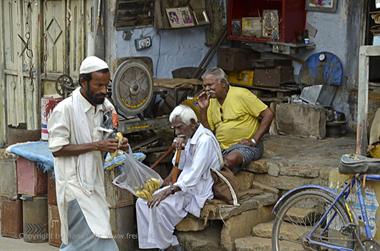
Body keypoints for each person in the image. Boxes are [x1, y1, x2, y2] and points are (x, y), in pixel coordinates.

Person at [48, 56, 129, 251]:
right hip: (74, 187)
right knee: (99, 243)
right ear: (83, 82)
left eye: (106, 85)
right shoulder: (64, 110)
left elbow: (110, 134)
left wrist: (119, 143)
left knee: (85, 243)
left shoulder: (106, 107)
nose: (103, 90)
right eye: (98, 85)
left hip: (94, 183)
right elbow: (57, 149)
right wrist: (97, 146)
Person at [136, 105, 223, 251]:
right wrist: (180, 149)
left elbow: (194, 175)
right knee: (142, 202)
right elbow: (181, 165)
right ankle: (152, 246)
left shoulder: (205, 140)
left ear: (192, 123)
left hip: (197, 190)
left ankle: (168, 246)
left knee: (157, 205)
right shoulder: (188, 137)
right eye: (174, 128)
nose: (177, 132)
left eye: (180, 127)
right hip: (183, 187)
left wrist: (168, 190)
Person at [198, 67, 274, 173]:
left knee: (231, 159)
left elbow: (268, 114)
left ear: (223, 83)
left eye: (210, 85)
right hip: (221, 147)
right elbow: (208, 133)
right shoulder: (210, 102)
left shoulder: (241, 94)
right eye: (204, 86)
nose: (206, 89)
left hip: (245, 146)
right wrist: (203, 110)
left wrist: (254, 140)